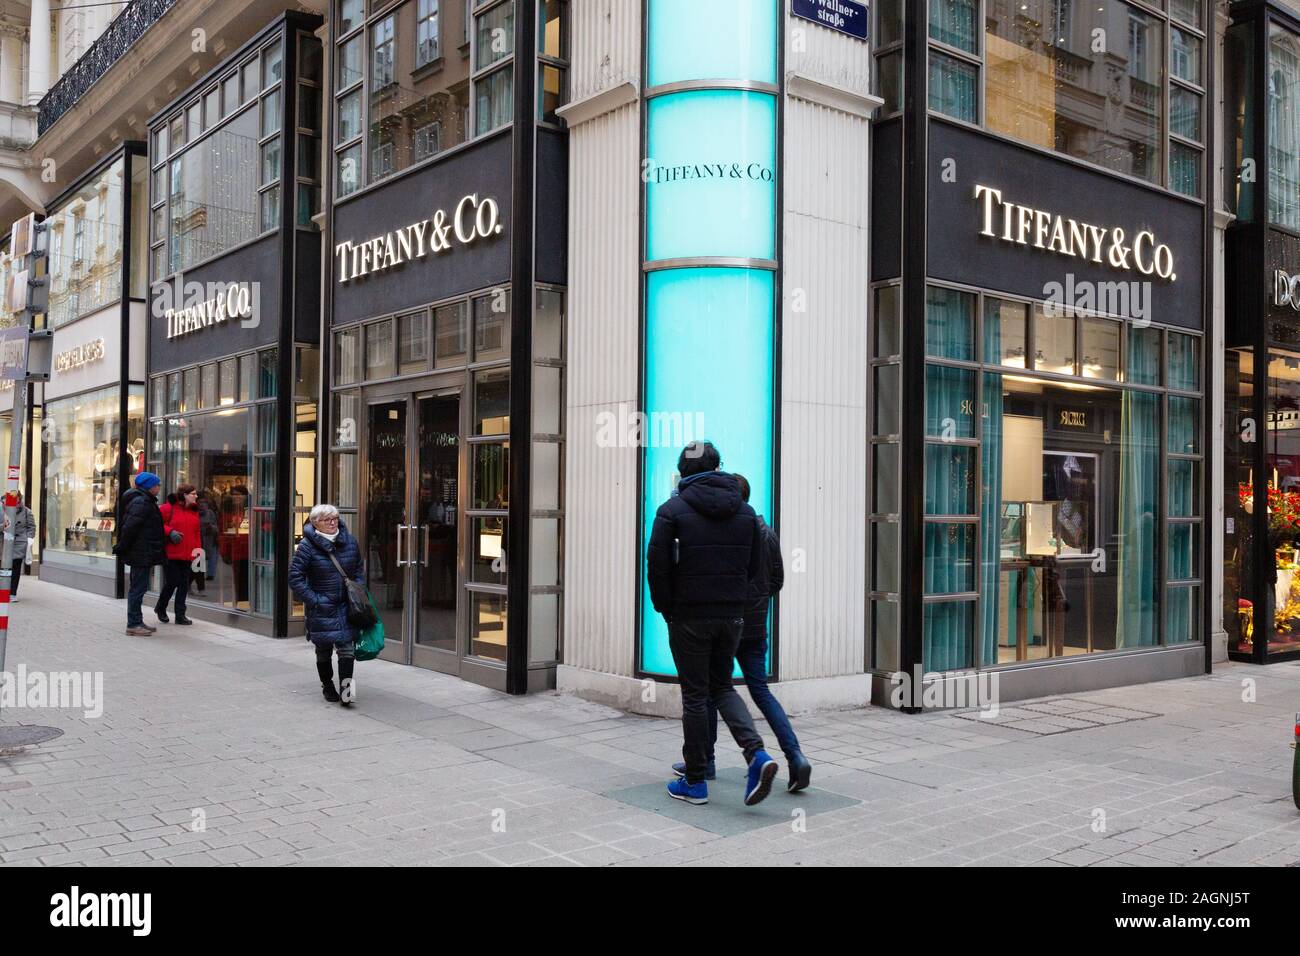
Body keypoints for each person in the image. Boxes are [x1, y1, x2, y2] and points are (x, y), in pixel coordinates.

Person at [647, 441, 778, 807]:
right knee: (722, 687)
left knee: (694, 694)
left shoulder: (671, 510)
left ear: (683, 470)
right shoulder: (746, 512)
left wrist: (666, 609)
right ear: (718, 466)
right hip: (732, 616)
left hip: (689, 616)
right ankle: (757, 754)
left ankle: (695, 780)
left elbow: (656, 567)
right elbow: (755, 568)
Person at [672, 474, 813, 793]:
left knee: (709, 690)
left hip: (725, 621)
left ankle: (704, 762)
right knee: (760, 692)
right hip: (754, 626)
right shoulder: (766, 530)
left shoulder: (733, 529)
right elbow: (776, 580)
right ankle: (796, 756)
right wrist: (758, 603)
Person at [289, 503, 364, 706]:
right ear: (316, 523)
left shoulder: (349, 541)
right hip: (322, 606)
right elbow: (295, 578)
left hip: (346, 605)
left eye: (335, 518)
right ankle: (327, 685)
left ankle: (347, 692)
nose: (333, 522)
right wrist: (315, 600)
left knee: (347, 649)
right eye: (327, 520)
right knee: (323, 649)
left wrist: (358, 589)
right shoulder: (307, 546)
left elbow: (358, 569)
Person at [115, 472, 166, 636]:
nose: (159, 487)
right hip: (140, 552)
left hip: (143, 551)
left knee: (139, 587)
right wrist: (123, 546)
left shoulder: (144, 500)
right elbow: (130, 527)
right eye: (157, 484)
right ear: (149, 486)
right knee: (138, 588)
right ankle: (134, 623)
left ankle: (137, 620)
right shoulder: (142, 502)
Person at [156, 484, 200, 625]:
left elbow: (196, 533)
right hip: (171, 553)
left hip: (188, 554)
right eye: (193, 493)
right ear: (185, 495)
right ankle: (161, 607)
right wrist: (170, 532)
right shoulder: (168, 508)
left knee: (184, 584)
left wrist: (198, 551)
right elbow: (155, 523)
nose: (196, 496)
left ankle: (180, 615)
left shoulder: (194, 510)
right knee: (173, 581)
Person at [1, 491, 37, 601]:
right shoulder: (1, 509)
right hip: (3, 543)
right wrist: (4, 526)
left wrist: (29, 538)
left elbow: (32, 527)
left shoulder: (26, 511)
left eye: (18, 500)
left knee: (15, 569)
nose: (16, 503)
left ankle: (12, 593)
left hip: (19, 543)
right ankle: (3, 591)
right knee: (3, 569)